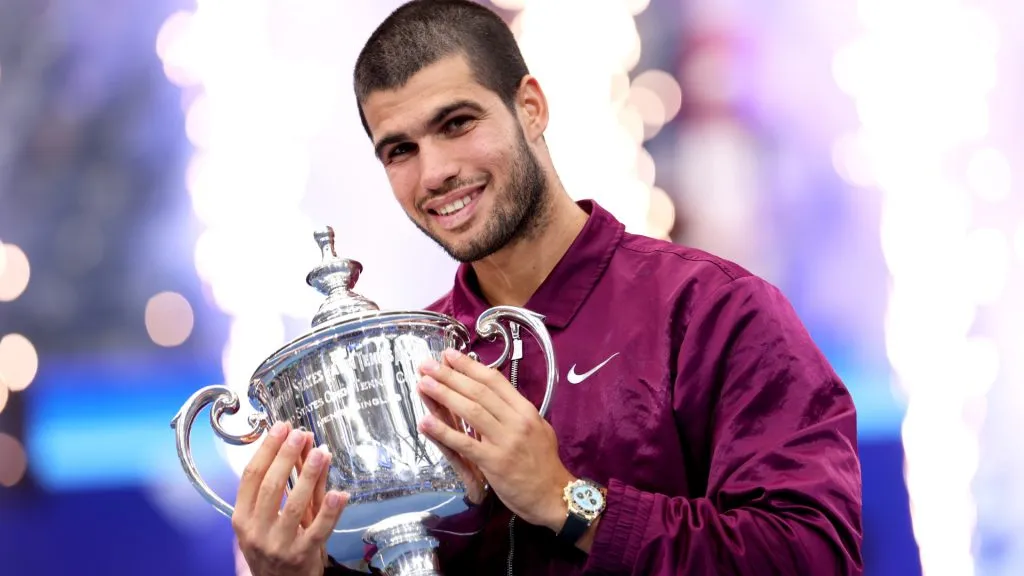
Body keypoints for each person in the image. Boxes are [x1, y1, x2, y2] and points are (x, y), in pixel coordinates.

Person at [229, 1, 864, 574]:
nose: (436, 173)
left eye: (456, 123)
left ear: (530, 106)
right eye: (400, 150)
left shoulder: (712, 311)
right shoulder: (407, 368)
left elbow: (812, 554)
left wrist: (569, 500)